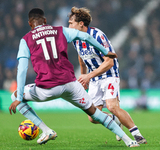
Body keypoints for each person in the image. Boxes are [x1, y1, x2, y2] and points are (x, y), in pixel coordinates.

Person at [8, 8, 139, 147]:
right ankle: (129, 140)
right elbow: (87, 37)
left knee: (14, 96)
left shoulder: (26, 40)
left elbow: (22, 69)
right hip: (70, 84)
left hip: (47, 88)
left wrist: (18, 98)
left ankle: (46, 130)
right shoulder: (60, 30)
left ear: (30, 24)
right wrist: (106, 51)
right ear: (45, 21)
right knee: (95, 113)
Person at [68, 7, 147, 144]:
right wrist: (83, 77)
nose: (68, 26)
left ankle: (137, 135)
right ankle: (116, 120)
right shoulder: (75, 39)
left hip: (109, 74)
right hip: (93, 79)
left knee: (112, 106)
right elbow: (81, 58)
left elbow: (109, 62)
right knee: (92, 117)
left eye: (71, 23)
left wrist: (88, 76)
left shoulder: (98, 36)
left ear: (81, 23)